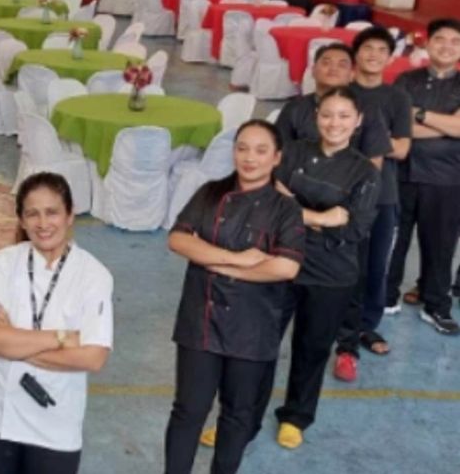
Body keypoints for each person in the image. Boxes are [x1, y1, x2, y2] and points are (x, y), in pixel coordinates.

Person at [163, 120, 305, 474]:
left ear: (276, 157)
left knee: (238, 414)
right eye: (242, 148)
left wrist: (216, 264)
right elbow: (178, 239)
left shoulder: (286, 208)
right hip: (201, 320)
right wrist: (238, 259)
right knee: (189, 410)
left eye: (260, 150)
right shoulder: (210, 193)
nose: (249, 158)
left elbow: (286, 267)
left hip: (253, 327)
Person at [0, 172, 114, 474]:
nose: (43, 223)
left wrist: (13, 342)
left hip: (55, 425)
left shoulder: (93, 275)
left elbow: (93, 357)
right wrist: (62, 337)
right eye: (32, 214)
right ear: (21, 221)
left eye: (52, 212)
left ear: (70, 215)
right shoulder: (4, 262)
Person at [270, 87, 380, 449]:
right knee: (258, 343)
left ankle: (295, 417)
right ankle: (241, 415)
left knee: (312, 349)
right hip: (279, 261)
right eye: (327, 114)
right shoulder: (293, 152)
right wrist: (321, 217)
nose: (335, 123)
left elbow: (353, 230)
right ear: (316, 116)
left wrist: (292, 207)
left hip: (330, 273)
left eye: (344, 116)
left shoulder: (365, 172)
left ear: (358, 121)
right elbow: (269, 202)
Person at [332, 26, 411, 377]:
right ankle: (337, 323)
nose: (374, 55)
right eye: (368, 48)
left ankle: (366, 325)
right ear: (356, 54)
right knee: (341, 261)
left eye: (382, 50)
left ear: (390, 58)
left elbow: (403, 148)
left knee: (376, 265)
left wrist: (366, 142)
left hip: (382, 193)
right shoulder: (341, 94)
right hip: (337, 191)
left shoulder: (396, 98)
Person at [386, 17, 460, 336]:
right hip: (401, 172)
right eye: (440, 39)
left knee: (440, 245)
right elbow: (395, 125)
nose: (447, 46)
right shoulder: (406, 80)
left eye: (455, 41)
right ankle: (385, 297)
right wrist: (445, 126)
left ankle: (436, 305)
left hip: (446, 177)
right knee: (394, 241)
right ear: (427, 43)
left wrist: (418, 114)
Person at [275, 43, 391, 167]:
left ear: (352, 75)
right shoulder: (294, 108)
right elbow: (278, 153)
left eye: (342, 65)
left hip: (349, 177)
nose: (333, 68)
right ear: (313, 71)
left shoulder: (368, 109)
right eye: (326, 63)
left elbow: (374, 163)